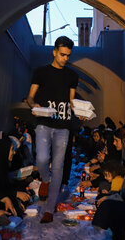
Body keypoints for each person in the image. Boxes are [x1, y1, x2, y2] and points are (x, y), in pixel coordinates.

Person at [25, 36, 79, 223]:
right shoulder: (41, 72)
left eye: (68, 55)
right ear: (54, 51)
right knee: (41, 158)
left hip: (63, 126)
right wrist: (34, 105)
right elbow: (30, 97)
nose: (65, 58)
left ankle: (49, 209)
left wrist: (81, 112)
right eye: (62, 54)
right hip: (43, 121)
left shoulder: (72, 76)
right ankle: (45, 180)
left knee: (58, 166)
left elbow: (71, 101)